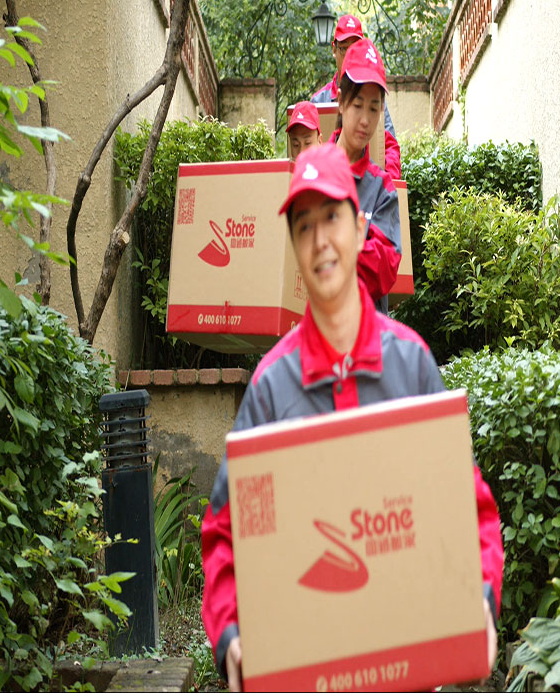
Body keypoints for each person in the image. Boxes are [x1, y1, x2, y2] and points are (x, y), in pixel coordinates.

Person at [200, 142, 504, 693]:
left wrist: (480, 596)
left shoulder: (410, 364)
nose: (320, 240)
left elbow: (467, 503)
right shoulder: (271, 389)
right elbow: (225, 532)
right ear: (294, 249)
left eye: (332, 217)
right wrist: (231, 635)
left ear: (361, 229)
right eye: (304, 226)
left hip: (405, 670)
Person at [333, 38, 401, 311]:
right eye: (358, 105)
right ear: (341, 102)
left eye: (373, 108)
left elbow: (383, 271)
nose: (365, 120)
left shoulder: (383, 189)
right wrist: (358, 240)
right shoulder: (312, 172)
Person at [313, 13, 402, 180]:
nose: (365, 120)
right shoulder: (318, 102)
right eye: (344, 48)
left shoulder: (374, 96)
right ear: (334, 50)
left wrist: (386, 184)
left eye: (354, 48)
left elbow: (390, 147)